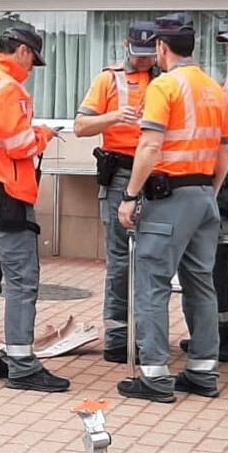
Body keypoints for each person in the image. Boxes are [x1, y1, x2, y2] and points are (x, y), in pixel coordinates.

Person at [117, 13, 228, 403]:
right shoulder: (215, 89)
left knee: (152, 282)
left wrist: (131, 195)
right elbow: (225, 150)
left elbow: (149, 146)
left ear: (162, 48)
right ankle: (202, 371)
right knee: (201, 283)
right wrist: (209, 192)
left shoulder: (165, 86)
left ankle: (154, 376)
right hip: (203, 196)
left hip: (169, 199)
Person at [0, 26, 69, 393]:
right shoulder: (8, 88)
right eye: (32, 61)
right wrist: (44, 135)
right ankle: (22, 364)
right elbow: (19, 145)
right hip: (7, 193)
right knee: (22, 280)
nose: (31, 70)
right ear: (21, 52)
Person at [74, 23, 158, 363]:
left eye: (149, 54)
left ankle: (147, 335)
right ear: (127, 46)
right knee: (121, 259)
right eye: (138, 54)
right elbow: (80, 126)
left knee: (152, 258)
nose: (143, 60)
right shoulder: (108, 79)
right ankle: (117, 337)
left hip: (158, 174)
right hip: (121, 172)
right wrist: (113, 117)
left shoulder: (165, 78)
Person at [190, 21, 228, 362]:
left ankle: (225, 336)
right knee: (217, 258)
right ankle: (222, 332)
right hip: (224, 179)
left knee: (220, 257)